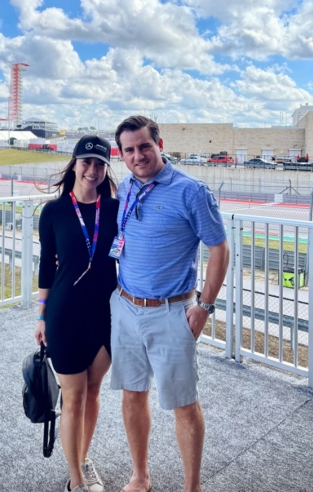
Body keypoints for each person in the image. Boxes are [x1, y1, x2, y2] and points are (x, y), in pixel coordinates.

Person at [110, 116, 229, 492]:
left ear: (159, 143)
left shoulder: (190, 191)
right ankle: (140, 476)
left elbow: (220, 249)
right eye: (129, 150)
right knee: (132, 394)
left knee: (183, 403)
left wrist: (205, 307)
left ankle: (191, 487)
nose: (138, 155)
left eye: (144, 146)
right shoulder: (126, 187)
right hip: (126, 307)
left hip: (171, 311)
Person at [34, 136, 119, 492]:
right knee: (73, 397)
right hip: (64, 315)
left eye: (100, 164)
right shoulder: (53, 212)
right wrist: (41, 315)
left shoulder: (115, 209)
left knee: (93, 392)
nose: (93, 170)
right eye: (86, 162)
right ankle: (76, 479)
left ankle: (83, 459)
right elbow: (46, 265)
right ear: (74, 164)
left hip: (106, 314)